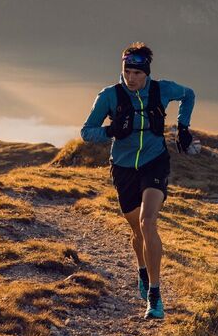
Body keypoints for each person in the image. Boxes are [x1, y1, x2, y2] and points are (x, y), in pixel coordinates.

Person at [80, 42, 196, 319]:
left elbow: (189, 94)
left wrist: (183, 126)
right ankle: (143, 270)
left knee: (148, 222)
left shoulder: (162, 89)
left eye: (136, 73)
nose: (131, 77)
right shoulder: (109, 96)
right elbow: (87, 131)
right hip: (123, 167)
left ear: (147, 73)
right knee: (137, 230)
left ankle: (155, 295)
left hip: (155, 160)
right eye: (127, 71)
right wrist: (110, 132)